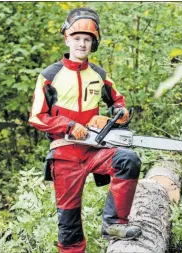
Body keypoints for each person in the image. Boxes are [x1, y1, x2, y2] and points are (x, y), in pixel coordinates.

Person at [28, 7, 142, 253]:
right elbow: (37, 117)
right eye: (77, 38)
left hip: (94, 148)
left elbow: (118, 102)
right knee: (68, 223)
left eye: (87, 39)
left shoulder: (99, 75)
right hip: (65, 153)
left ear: (94, 43)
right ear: (67, 39)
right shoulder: (50, 75)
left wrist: (118, 114)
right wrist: (68, 125)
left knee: (127, 159)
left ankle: (115, 224)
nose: (82, 44)